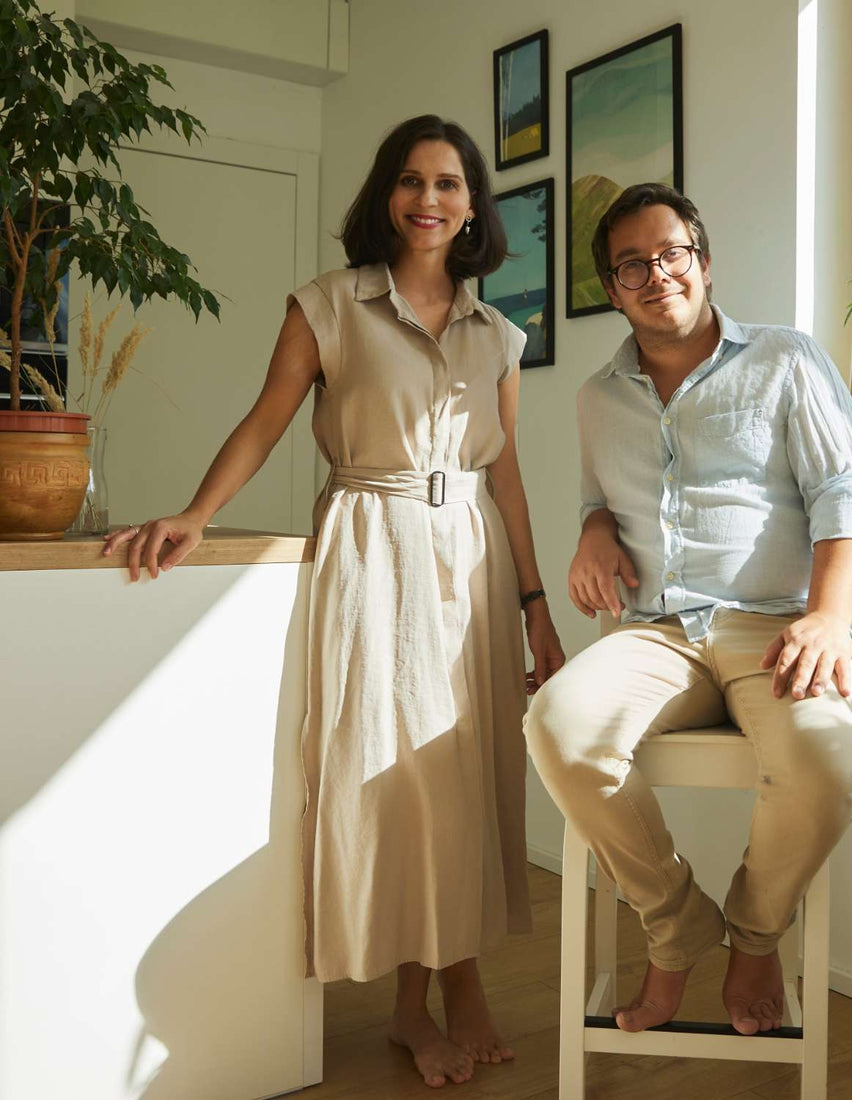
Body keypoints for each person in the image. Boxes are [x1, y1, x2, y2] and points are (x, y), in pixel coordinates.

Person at [103, 114, 565, 1088]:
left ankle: (442, 990)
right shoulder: (329, 306)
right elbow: (267, 417)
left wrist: (533, 599)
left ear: (473, 204)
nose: (428, 198)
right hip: (373, 545)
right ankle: (431, 995)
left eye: (448, 183)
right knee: (396, 778)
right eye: (411, 181)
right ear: (383, 198)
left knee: (464, 774)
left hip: (472, 554)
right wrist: (196, 512)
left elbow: (508, 475)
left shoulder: (498, 335)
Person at [524, 183, 852, 1037]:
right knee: (557, 724)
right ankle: (677, 927)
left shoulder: (786, 361)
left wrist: (830, 619)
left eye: (671, 253)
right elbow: (597, 497)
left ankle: (756, 933)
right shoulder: (595, 397)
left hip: (777, 628)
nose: (656, 274)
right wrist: (591, 530)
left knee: (827, 760)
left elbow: (848, 493)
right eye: (631, 265)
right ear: (611, 290)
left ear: (704, 261)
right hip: (659, 633)